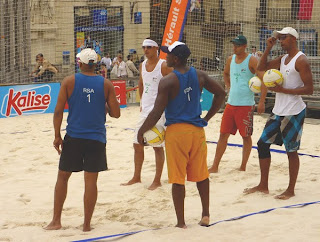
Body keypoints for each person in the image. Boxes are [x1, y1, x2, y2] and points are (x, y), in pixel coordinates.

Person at [136, 41, 226, 227]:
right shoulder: (200, 75)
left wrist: (141, 131)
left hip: (177, 133)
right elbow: (221, 93)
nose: (166, 56)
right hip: (197, 131)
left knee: (178, 179)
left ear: (176, 59)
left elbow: (155, 112)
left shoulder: (168, 80)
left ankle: (181, 222)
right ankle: (206, 215)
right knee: (202, 175)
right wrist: (207, 117)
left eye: (168, 54)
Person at [45, 48, 120, 231]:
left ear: (79, 63)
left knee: (63, 177)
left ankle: (56, 221)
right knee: (91, 181)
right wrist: (103, 103)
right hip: (96, 138)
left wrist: (57, 135)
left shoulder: (69, 81)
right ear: (96, 64)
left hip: (74, 136)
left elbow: (58, 111)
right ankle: (86, 225)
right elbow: (116, 114)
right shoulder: (106, 84)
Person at [244, 27, 313, 200]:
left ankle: (290, 189)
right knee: (262, 144)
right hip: (279, 110)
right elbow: (261, 68)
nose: (281, 41)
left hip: (294, 111)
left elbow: (310, 89)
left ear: (293, 39)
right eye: (279, 38)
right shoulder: (283, 58)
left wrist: (283, 90)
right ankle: (263, 185)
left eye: (284, 38)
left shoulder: (301, 60)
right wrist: (268, 48)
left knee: (291, 151)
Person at [208, 35, 266, 173]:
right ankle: (215, 165)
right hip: (231, 103)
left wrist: (262, 101)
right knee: (223, 134)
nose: (234, 47)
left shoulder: (252, 60)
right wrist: (228, 86)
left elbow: (264, 79)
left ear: (245, 46)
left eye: (237, 45)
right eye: (234, 45)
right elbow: (226, 73)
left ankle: (243, 166)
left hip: (246, 104)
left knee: (246, 136)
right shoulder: (230, 59)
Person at [121, 38, 172, 190]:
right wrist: (142, 103)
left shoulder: (163, 65)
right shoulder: (142, 64)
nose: (145, 50)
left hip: (159, 111)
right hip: (146, 110)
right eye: (144, 47)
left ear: (156, 48)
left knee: (157, 146)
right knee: (137, 143)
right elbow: (142, 84)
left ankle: (157, 180)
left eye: (149, 47)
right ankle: (136, 177)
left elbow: (175, 83)